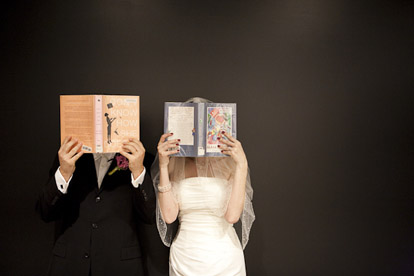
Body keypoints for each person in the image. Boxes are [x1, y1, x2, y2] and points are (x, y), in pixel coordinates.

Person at [152, 98, 255, 276]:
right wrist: (163, 165)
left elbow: (232, 216)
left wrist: (241, 165)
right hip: (185, 256)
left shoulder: (228, 165)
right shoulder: (176, 164)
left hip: (224, 258)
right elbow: (169, 216)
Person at [37, 136, 155, 276]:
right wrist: (63, 173)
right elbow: (45, 212)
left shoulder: (141, 158)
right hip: (70, 263)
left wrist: (138, 171)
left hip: (119, 266)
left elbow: (149, 215)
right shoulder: (68, 155)